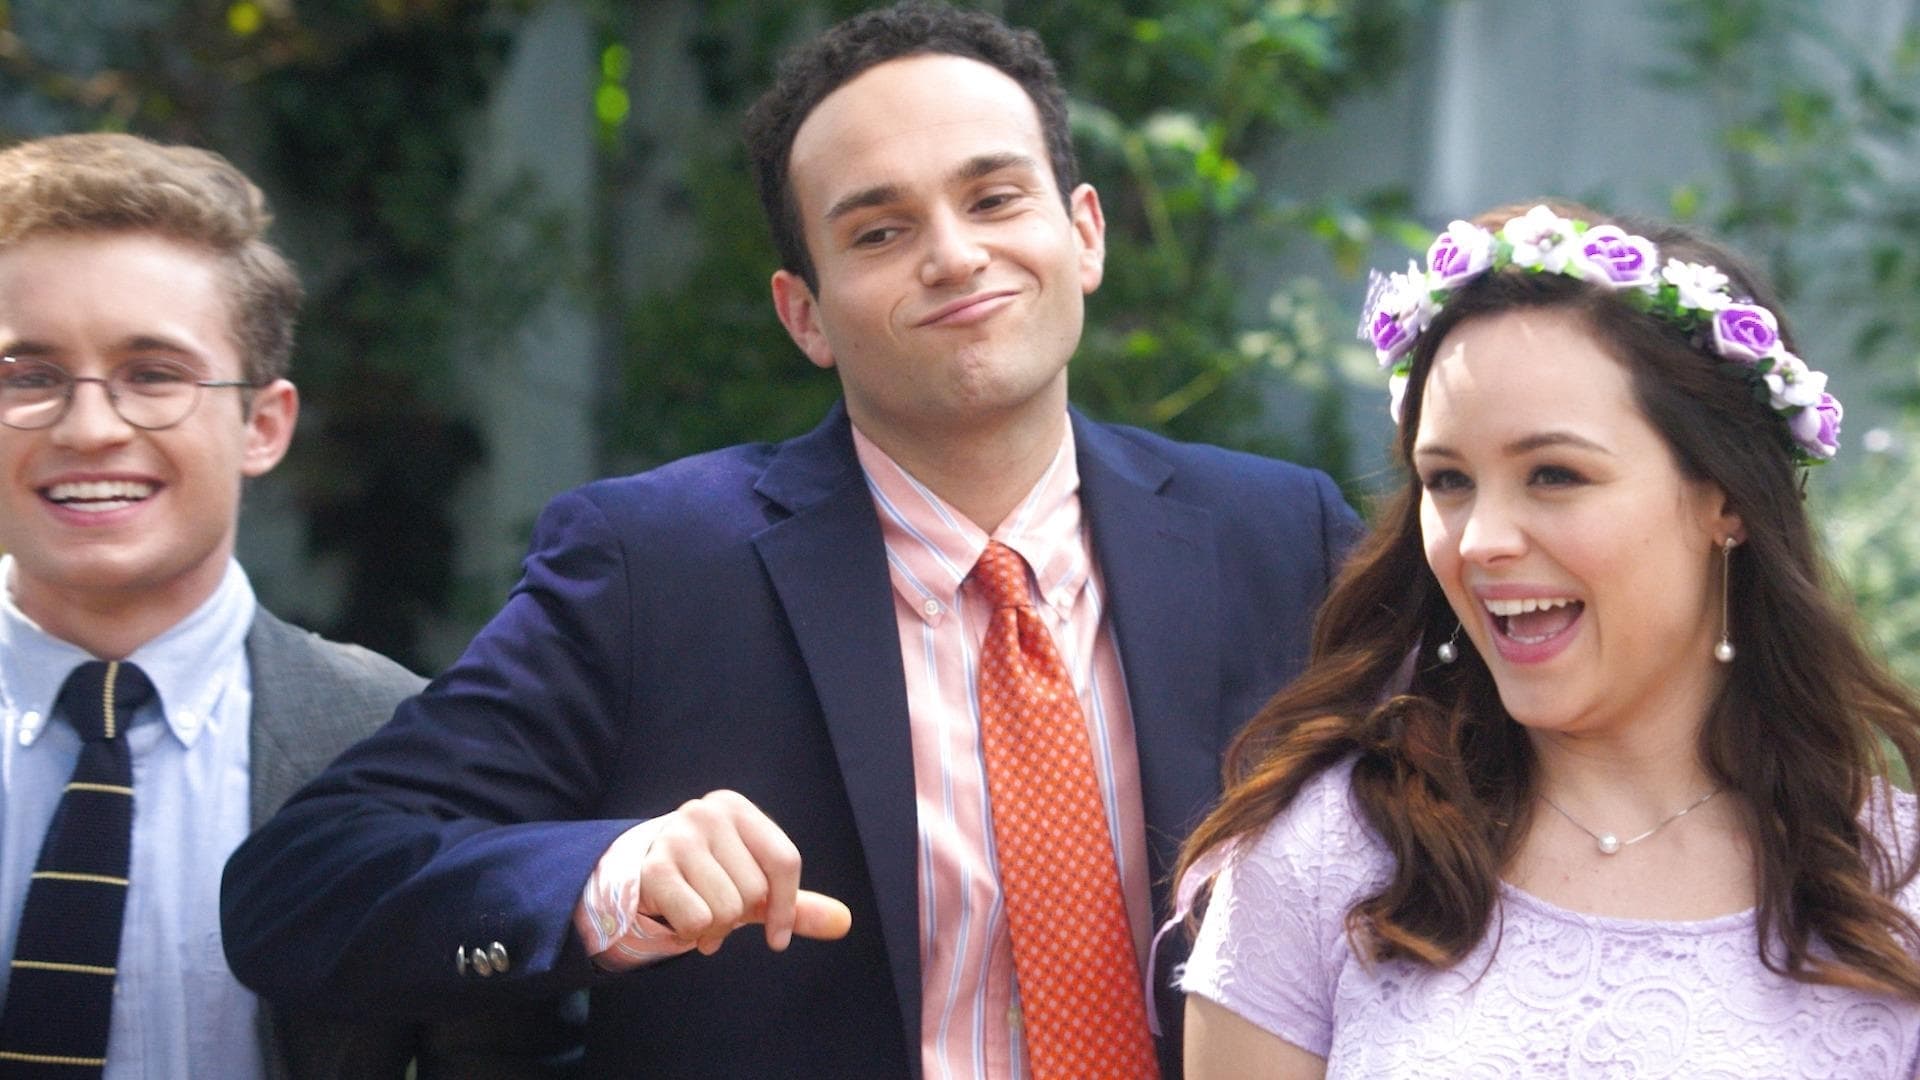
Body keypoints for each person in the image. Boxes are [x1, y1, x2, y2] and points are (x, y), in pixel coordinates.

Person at [219, 2, 1360, 1077]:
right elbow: (306, 882)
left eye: (995, 198)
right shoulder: (655, 566)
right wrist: (607, 877)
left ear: (1085, 233)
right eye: (879, 230)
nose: (954, 255)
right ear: (803, 313)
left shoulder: (1279, 536)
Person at [1175, 200, 1920, 1078]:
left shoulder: (1894, 888)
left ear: (1725, 498)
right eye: (1447, 480)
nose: (1481, 540)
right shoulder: (1329, 857)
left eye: (1554, 475)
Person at [0, 133, 577, 1079]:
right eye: (29, 375)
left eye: (154, 374)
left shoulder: (405, 745)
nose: (90, 426)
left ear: (262, 425)